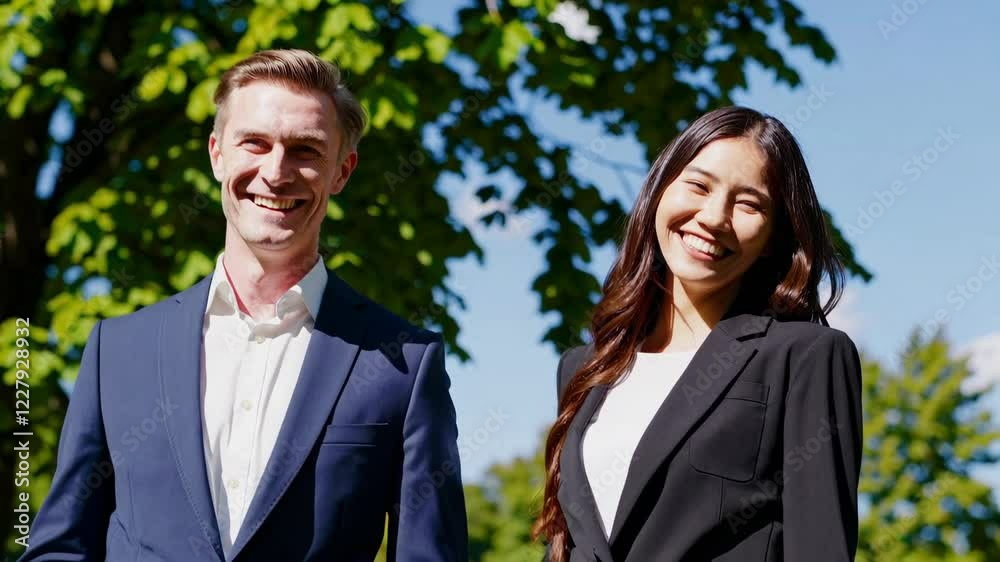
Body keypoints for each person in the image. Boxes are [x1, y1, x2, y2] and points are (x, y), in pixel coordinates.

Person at [20, 49, 468, 562]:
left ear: (342, 172)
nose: (275, 172)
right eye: (254, 142)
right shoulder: (117, 351)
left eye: (305, 149)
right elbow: (60, 549)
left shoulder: (405, 364)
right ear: (217, 154)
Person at [534, 106, 863, 562]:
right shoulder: (585, 368)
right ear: (660, 191)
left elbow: (821, 549)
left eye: (748, 204)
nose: (713, 217)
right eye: (698, 186)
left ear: (774, 235)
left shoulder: (805, 357)